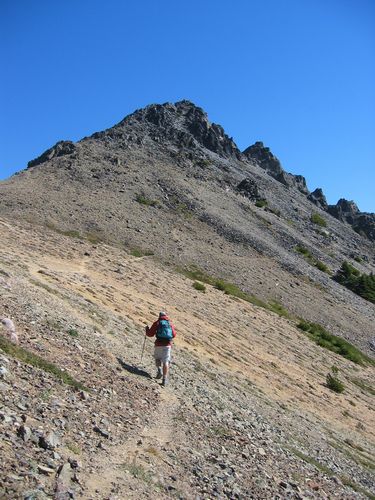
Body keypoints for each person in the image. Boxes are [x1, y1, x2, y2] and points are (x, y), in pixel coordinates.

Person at [146, 311, 176, 386]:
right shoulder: (170, 323)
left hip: (158, 344)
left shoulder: (157, 323)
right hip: (167, 345)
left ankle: (159, 370)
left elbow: (150, 334)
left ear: (159, 316)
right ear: (166, 316)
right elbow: (174, 334)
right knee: (166, 361)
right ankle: (164, 379)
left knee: (157, 358)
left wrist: (147, 330)